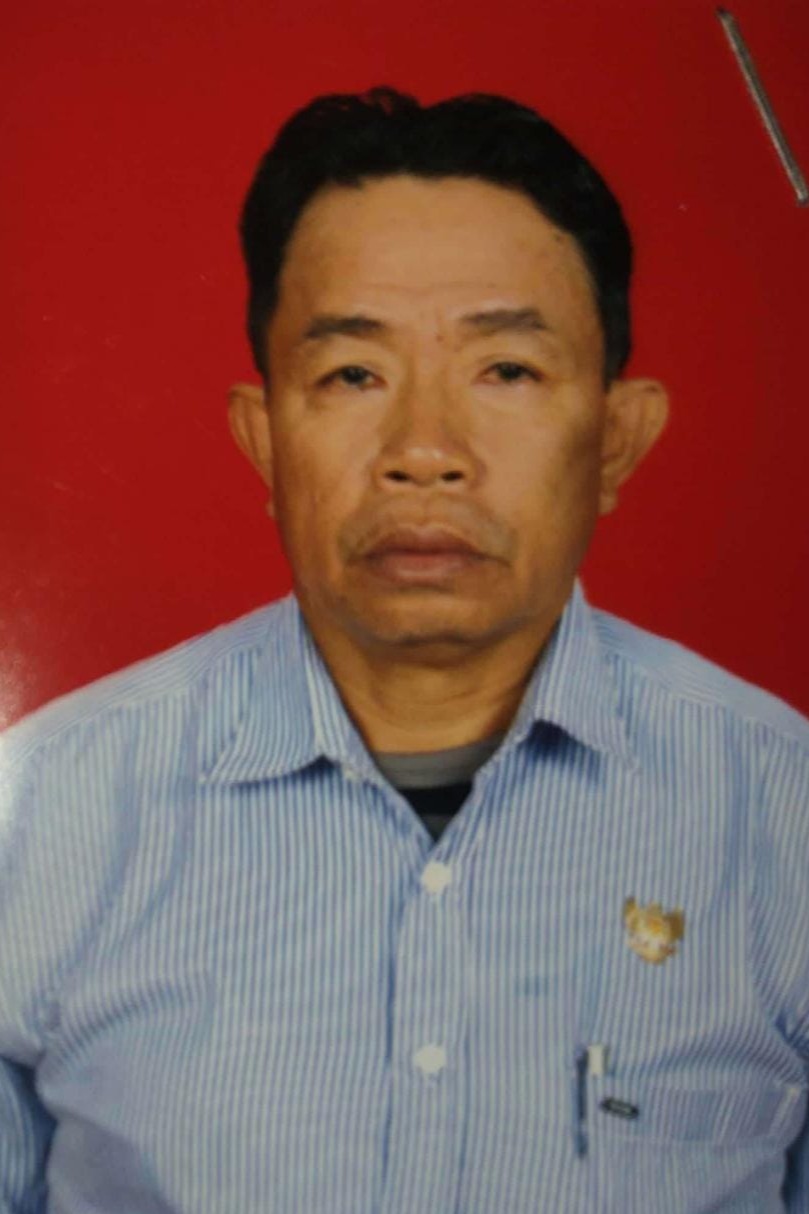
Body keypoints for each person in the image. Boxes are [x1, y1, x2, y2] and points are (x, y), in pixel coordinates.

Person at [1, 87, 807, 1214]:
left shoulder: (781, 818)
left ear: (618, 439)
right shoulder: (40, 816)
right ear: (263, 438)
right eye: (352, 374)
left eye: (506, 370)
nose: (424, 450)